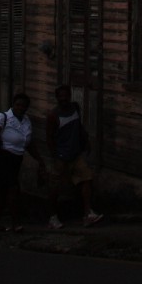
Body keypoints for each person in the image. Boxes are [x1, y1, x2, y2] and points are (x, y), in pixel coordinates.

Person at [0, 92, 45, 232]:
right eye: (18, 105)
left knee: (3, 191)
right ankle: (15, 223)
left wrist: (39, 159)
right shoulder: (3, 118)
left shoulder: (26, 121)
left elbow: (28, 143)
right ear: (13, 105)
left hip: (16, 160)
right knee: (12, 189)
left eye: (23, 106)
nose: (20, 108)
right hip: (3, 158)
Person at [46, 85, 102, 228]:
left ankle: (87, 213)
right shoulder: (53, 116)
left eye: (66, 96)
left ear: (69, 96)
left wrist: (86, 141)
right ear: (57, 98)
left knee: (86, 179)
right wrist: (55, 155)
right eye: (61, 96)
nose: (64, 99)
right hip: (61, 155)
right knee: (55, 187)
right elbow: (49, 137)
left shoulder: (75, 109)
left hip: (76, 153)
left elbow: (79, 127)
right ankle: (53, 217)